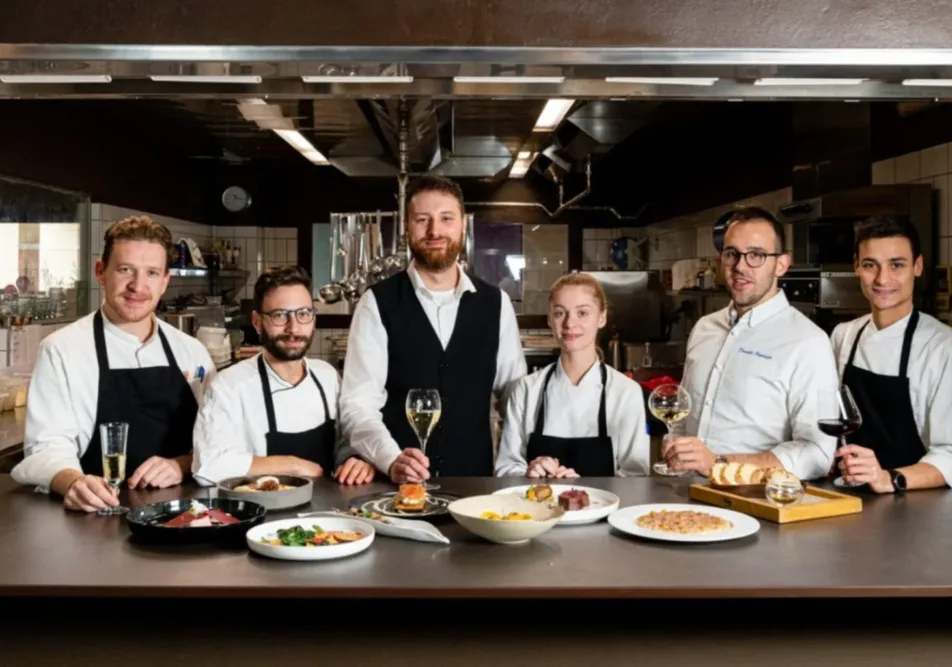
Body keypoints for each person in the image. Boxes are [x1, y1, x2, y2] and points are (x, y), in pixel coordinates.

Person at [11, 216, 216, 512]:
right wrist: (72, 482)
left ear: (165, 282)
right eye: (125, 270)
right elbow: (47, 446)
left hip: (186, 517)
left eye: (152, 273)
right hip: (94, 517)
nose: (138, 286)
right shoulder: (62, 350)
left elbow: (218, 439)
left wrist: (182, 464)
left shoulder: (191, 352)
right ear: (100, 272)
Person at [340, 175, 527, 482]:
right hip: (397, 490)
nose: (435, 231)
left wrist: (520, 464)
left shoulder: (496, 303)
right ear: (407, 228)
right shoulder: (376, 303)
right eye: (422, 219)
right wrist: (390, 459)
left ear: (463, 225)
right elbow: (357, 404)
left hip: (475, 487)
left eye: (446, 218)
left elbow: (515, 398)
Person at [664, 206, 839, 480]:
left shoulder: (808, 342)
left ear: (781, 264)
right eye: (732, 254)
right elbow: (683, 417)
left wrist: (720, 464)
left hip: (757, 506)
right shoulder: (704, 328)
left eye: (756, 255)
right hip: (687, 500)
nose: (740, 266)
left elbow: (817, 453)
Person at [829, 216, 952, 493]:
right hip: (850, 496)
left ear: (918, 267)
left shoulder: (950, 350)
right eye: (870, 265)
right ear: (856, 267)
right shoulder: (844, 336)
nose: (882, 279)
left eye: (897, 265)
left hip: (916, 504)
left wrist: (889, 479)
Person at [192, 265, 374, 485]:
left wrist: (354, 459)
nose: (293, 328)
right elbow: (208, 464)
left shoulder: (326, 376)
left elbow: (342, 442)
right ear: (257, 322)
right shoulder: (229, 386)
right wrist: (293, 465)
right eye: (280, 315)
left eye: (303, 314)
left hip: (329, 512)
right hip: (265, 513)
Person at [495, 272, 649, 478]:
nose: (569, 323)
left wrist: (587, 493)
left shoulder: (625, 392)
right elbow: (506, 468)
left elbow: (636, 475)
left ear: (601, 317)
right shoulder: (526, 390)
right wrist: (528, 474)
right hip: (537, 509)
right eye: (560, 313)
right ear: (550, 319)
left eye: (582, 313)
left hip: (607, 510)